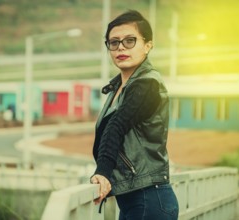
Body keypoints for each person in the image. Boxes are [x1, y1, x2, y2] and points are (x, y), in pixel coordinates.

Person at [90, 10, 179, 220]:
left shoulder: (147, 84)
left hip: (149, 200)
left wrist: (102, 171)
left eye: (130, 40)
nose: (120, 47)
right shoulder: (118, 88)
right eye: (114, 42)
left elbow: (117, 125)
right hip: (133, 201)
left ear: (148, 45)